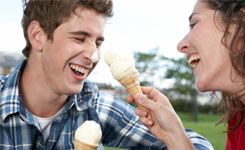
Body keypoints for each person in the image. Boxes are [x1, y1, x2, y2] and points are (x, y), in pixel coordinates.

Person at [0, 0, 213, 149]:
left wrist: (176, 135)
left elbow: (199, 144)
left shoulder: (97, 108)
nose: (93, 56)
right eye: (79, 38)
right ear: (37, 36)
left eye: (98, 42)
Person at [129, 0, 245, 150]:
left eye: (194, 24)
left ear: (242, 19)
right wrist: (174, 135)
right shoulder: (240, 121)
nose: (181, 45)